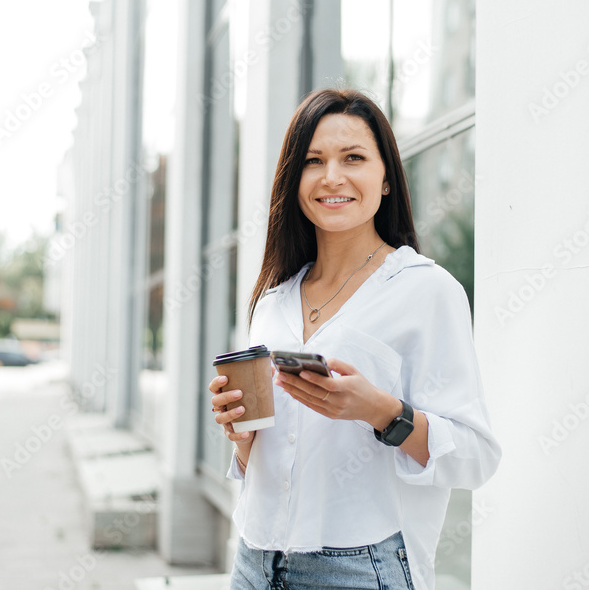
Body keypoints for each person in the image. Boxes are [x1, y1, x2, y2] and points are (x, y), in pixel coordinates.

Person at [208, 88, 501, 590]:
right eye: (313, 161)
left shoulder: (426, 291)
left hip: (360, 567)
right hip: (254, 561)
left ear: (386, 177)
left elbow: (477, 457)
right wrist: (241, 436)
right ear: (293, 180)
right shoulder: (274, 300)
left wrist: (380, 411)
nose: (332, 177)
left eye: (354, 158)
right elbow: (265, 459)